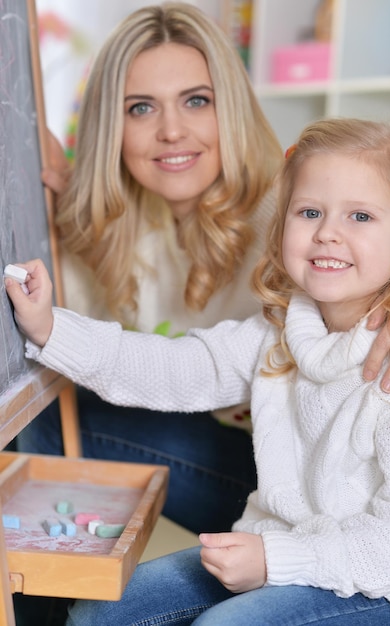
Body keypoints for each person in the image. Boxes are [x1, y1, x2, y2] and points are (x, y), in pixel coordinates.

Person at [6, 117, 390, 625]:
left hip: (386, 584)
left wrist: (274, 561)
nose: (328, 233)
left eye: (360, 216)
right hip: (284, 548)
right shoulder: (277, 335)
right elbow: (172, 367)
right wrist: (50, 328)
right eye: (309, 211)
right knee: (98, 615)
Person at [19, 1, 284, 536]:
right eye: (140, 108)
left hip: (295, 486)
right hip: (229, 460)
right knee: (44, 403)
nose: (171, 132)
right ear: (110, 128)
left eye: (196, 101)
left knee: (47, 422)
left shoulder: (291, 211)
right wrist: (44, 187)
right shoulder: (129, 226)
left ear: (229, 107)